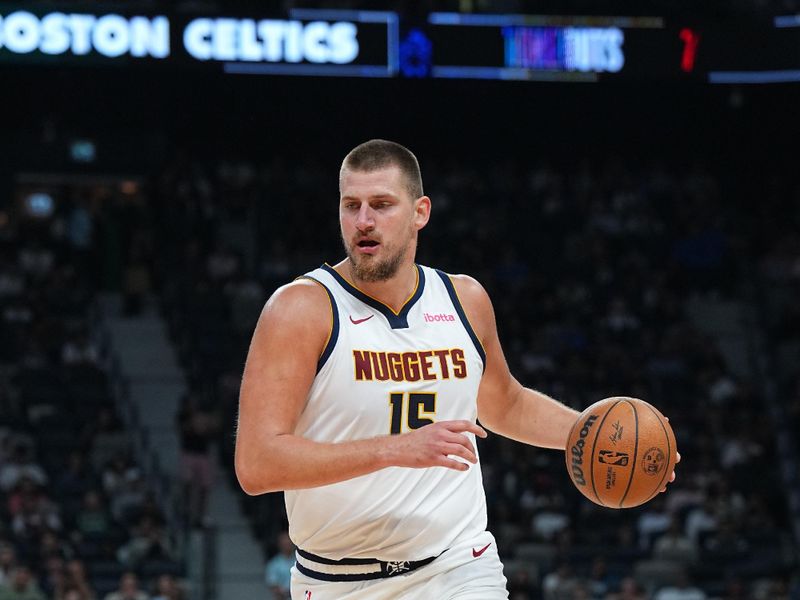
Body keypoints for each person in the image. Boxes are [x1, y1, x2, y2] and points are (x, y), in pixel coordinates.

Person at [235, 139, 678, 599]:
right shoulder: (300, 310)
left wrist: (608, 438)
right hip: (338, 581)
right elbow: (257, 464)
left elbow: (504, 404)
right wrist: (394, 449)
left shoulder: (463, 299)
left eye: (382, 205)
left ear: (420, 212)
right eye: (352, 206)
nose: (363, 221)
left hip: (458, 567)